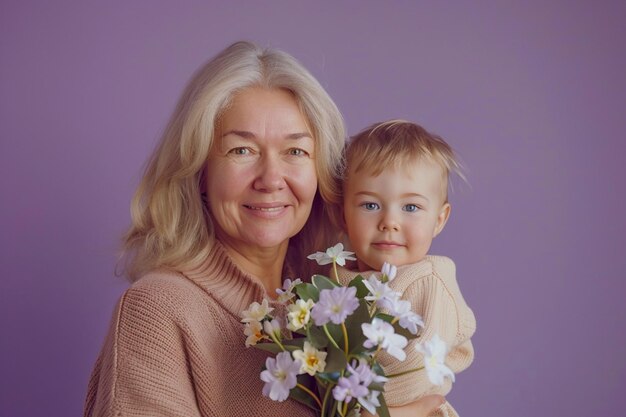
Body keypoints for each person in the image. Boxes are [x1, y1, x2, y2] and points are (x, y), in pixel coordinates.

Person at [84, 42, 444, 417]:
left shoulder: (343, 297)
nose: (271, 179)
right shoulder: (157, 311)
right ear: (200, 171)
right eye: (241, 150)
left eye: (296, 151)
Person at [335, 120, 476, 417]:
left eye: (410, 207)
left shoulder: (428, 283)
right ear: (341, 213)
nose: (390, 222)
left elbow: (414, 371)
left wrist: (352, 406)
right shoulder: (335, 277)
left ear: (439, 219)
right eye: (370, 205)